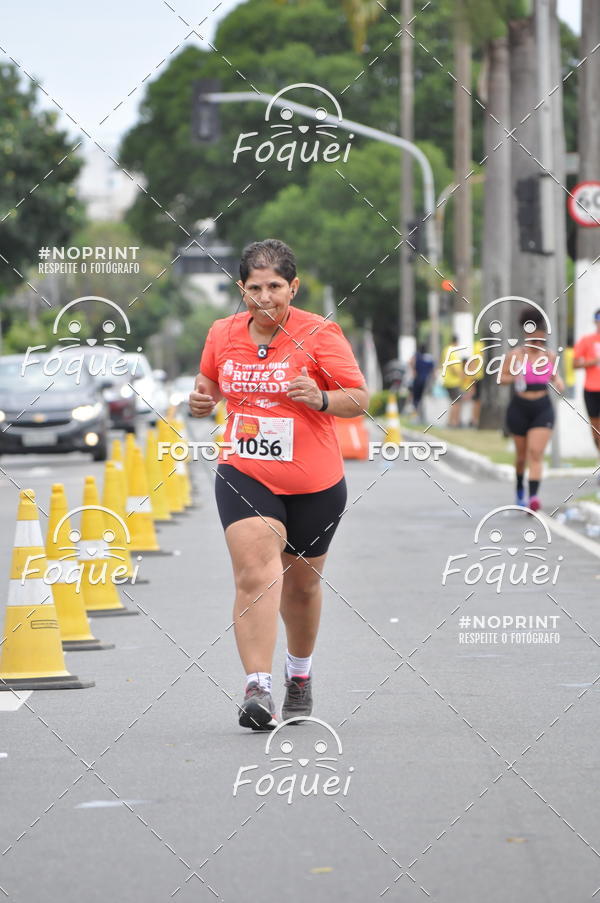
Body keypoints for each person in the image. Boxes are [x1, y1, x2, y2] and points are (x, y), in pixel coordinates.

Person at [189, 239, 369, 731]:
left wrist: (322, 399)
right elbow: (207, 385)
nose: (264, 297)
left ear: (293, 286)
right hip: (245, 471)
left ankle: (300, 674)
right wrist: (202, 402)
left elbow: (358, 398)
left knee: (303, 586)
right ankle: (257, 688)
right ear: (241, 289)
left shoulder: (321, 333)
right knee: (256, 573)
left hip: (315, 481)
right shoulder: (222, 333)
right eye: (254, 287)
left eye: (274, 287)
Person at [501, 307, 564, 511]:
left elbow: (556, 378)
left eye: (541, 341)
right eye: (533, 341)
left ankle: (533, 497)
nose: (537, 345)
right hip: (519, 408)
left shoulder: (550, 356)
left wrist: (560, 383)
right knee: (521, 457)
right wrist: (515, 376)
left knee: (535, 453)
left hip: (542, 407)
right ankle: (520, 489)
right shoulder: (515, 356)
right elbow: (501, 378)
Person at [573, 309, 600, 464]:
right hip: (591, 389)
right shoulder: (586, 340)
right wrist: (591, 362)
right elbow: (575, 363)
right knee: (596, 431)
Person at [440, 335, 464, 427]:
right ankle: (454, 422)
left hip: (447, 380)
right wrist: (461, 375)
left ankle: (452, 421)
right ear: (456, 342)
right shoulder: (452, 352)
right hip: (453, 381)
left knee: (454, 401)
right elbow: (454, 368)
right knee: (457, 402)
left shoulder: (446, 350)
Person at [409, 344, 434, 422]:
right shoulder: (429, 358)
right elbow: (433, 370)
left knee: (416, 398)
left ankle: (415, 415)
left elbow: (410, 362)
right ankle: (422, 415)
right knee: (423, 398)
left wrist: (413, 370)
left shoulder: (417, 356)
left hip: (418, 380)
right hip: (426, 381)